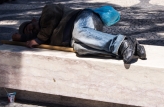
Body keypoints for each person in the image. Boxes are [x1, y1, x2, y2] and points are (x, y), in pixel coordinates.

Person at [12, 4, 147, 64]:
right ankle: (131, 46)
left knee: (79, 33)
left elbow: (53, 14)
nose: (30, 31)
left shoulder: (46, 13)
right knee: (80, 48)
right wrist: (25, 38)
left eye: (29, 27)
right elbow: (24, 38)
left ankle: (122, 43)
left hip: (83, 19)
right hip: (84, 35)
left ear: (33, 20)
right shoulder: (47, 37)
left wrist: (37, 39)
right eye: (28, 33)